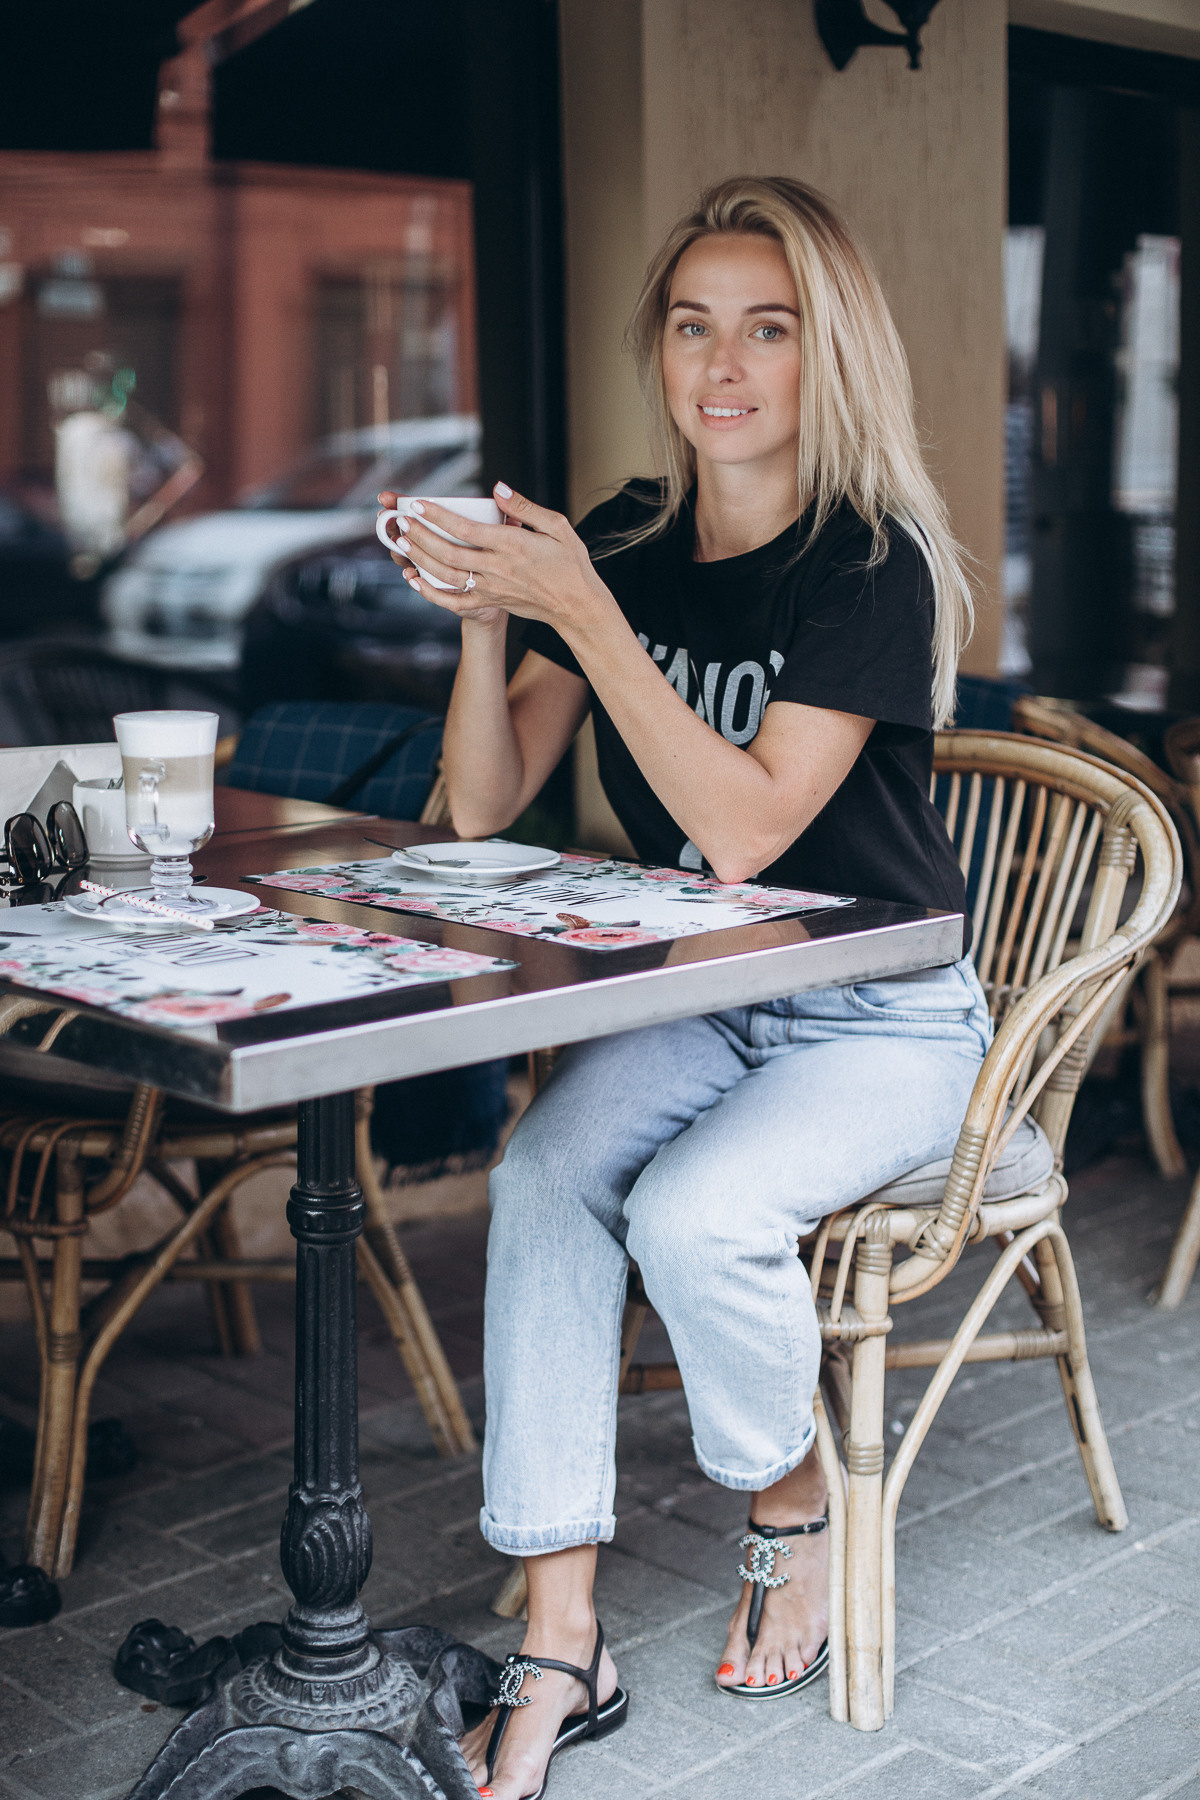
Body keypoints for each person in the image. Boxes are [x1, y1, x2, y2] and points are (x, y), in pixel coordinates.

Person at [379, 174, 989, 1800]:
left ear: (825, 354)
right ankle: (560, 1640)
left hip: (884, 1009)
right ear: (659, 348)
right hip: (707, 998)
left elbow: (745, 828)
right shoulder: (630, 539)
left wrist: (585, 610)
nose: (724, 365)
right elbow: (483, 807)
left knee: (698, 1215)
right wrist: (485, 617)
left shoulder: (868, 564)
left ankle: (790, 1502)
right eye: (694, 325)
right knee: (543, 1177)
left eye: (768, 330)